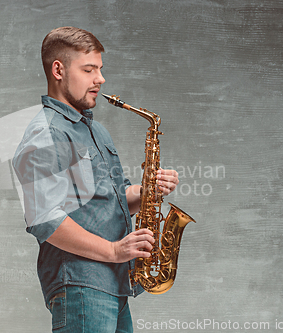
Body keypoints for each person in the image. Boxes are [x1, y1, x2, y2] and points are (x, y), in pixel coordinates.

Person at [12, 26, 179, 332]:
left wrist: (147, 191)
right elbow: (45, 219)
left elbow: (108, 201)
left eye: (100, 70)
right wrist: (115, 251)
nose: (100, 79)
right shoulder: (47, 133)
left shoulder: (95, 131)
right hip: (81, 284)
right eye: (88, 70)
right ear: (58, 70)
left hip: (114, 282)